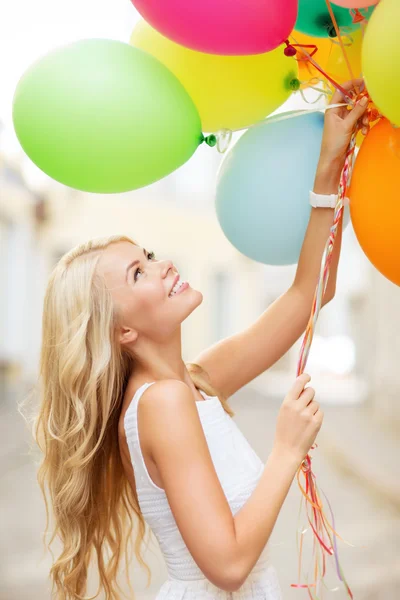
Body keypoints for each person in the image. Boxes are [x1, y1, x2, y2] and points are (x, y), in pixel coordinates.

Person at [30, 79, 369, 600]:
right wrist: (285, 447)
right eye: (139, 274)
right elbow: (229, 567)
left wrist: (331, 163)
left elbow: (309, 293)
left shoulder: (193, 382)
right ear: (121, 330)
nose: (163, 266)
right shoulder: (162, 404)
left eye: (147, 255)